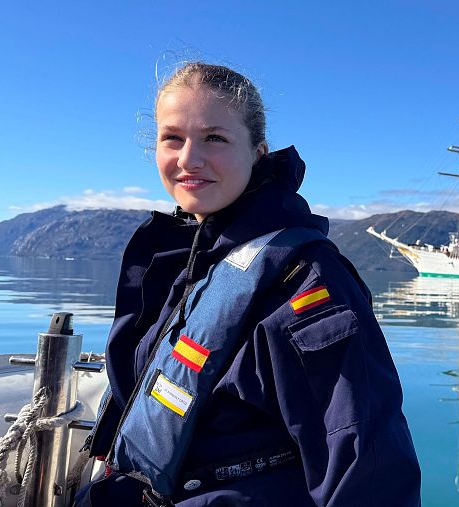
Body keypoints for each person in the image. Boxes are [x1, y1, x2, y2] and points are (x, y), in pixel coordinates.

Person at [77, 62, 421, 506]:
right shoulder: (190, 262)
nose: (188, 159)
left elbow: (366, 461)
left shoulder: (305, 281)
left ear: (258, 152)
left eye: (214, 138)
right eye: (173, 138)